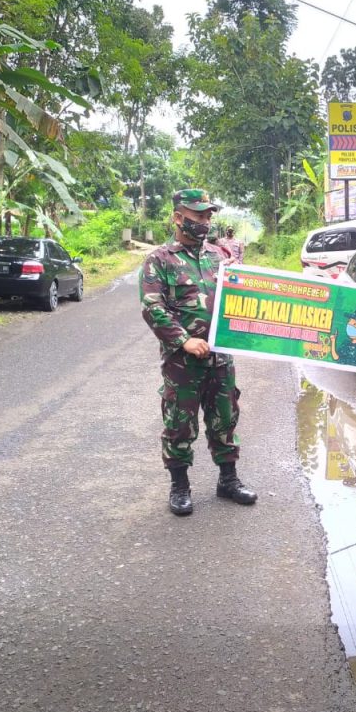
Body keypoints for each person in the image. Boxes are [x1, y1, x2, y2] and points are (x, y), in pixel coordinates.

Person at [139, 188, 257, 516]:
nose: (205, 222)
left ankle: (228, 480)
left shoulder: (219, 256)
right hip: (183, 363)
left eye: (208, 216)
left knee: (225, 418)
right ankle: (179, 485)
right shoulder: (159, 260)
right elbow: (152, 307)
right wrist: (183, 340)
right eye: (198, 216)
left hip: (221, 359)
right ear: (179, 217)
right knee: (180, 423)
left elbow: (237, 302)